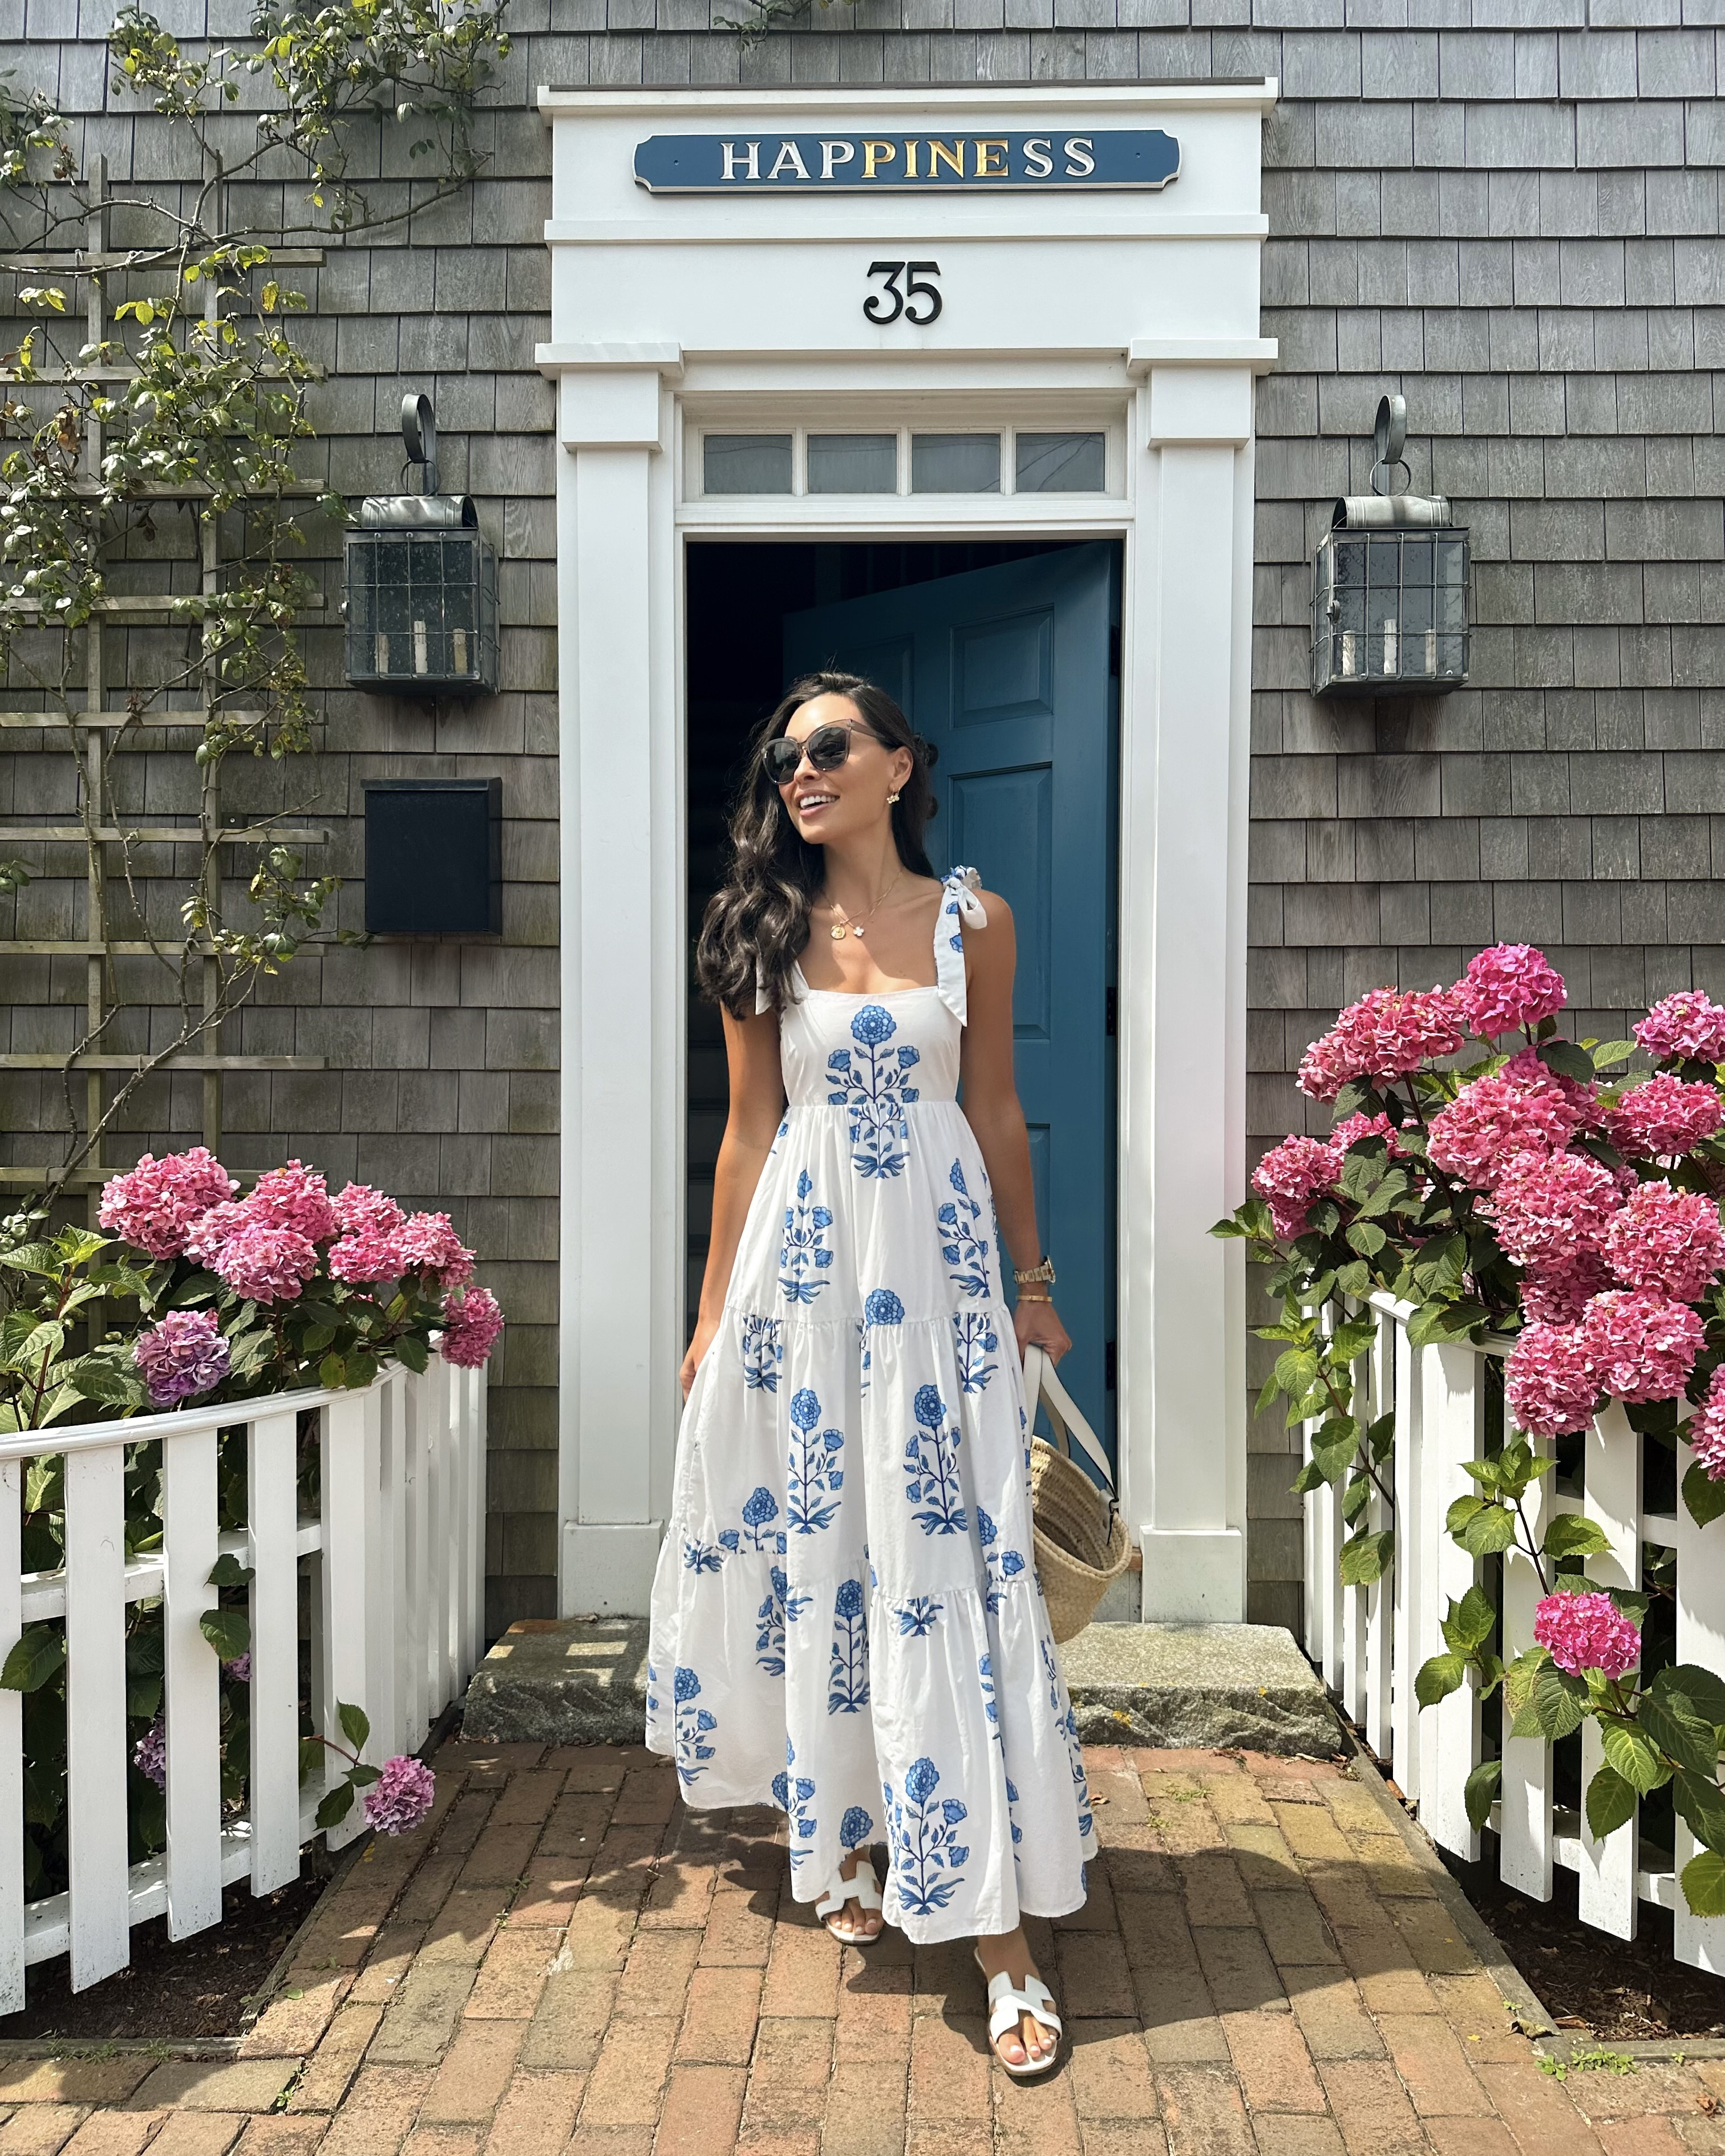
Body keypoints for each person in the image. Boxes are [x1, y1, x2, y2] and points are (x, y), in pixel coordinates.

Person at [645, 670, 1096, 2077]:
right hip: (808, 1280)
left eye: (831, 745)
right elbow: (744, 1136)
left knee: (950, 1565)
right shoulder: (757, 930)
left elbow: (997, 1108)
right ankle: (843, 1826)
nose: (802, 769)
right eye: (785, 752)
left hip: (945, 1278)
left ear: (903, 766)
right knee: (827, 1552)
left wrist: (1034, 1284)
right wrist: (712, 1314)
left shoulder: (974, 923)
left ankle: (995, 1921)